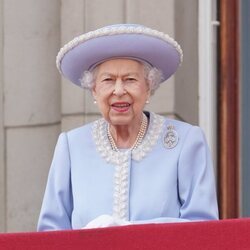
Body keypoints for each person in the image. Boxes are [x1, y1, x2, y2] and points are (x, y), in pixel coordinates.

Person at [37, 24, 218, 231]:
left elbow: (203, 228)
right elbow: (50, 233)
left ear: (149, 87)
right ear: (94, 90)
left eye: (130, 80)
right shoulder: (71, 145)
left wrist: (129, 229)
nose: (119, 90)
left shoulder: (185, 141)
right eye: (108, 80)